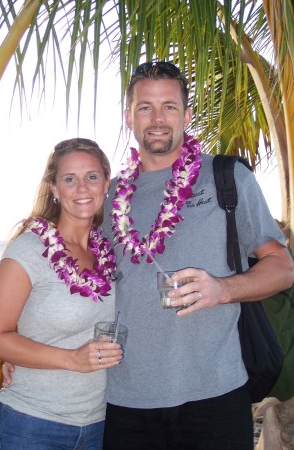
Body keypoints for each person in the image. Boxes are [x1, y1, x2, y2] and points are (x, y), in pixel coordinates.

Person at [100, 61, 294, 449]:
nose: (157, 118)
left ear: (187, 115)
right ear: (129, 117)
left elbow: (283, 268)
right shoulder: (108, 196)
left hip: (216, 396)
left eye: (169, 106)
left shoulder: (227, 178)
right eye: (145, 107)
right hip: (125, 401)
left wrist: (222, 289)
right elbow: (80, 280)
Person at [0, 138, 123, 450]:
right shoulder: (30, 250)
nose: (82, 188)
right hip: (32, 426)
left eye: (92, 177)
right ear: (54, 189)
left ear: (106, 184)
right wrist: (71, 359)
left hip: (99, 425)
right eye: (69, 179)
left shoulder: (109, 250)